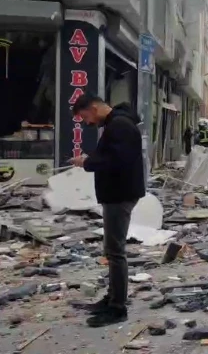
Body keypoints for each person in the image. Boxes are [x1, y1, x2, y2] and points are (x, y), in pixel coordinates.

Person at [68, 93, 145, 327]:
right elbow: (113, 156)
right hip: (117, 194)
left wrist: (88, 162)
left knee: (115, 252)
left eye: (86, 117)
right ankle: (112, 298)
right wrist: (91, 159)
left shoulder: (119, 125)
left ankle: (117, 308)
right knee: (112, 250)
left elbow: (118, 162)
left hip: (119, 195)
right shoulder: (116, 123)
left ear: (93, 108)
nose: (88, 122)